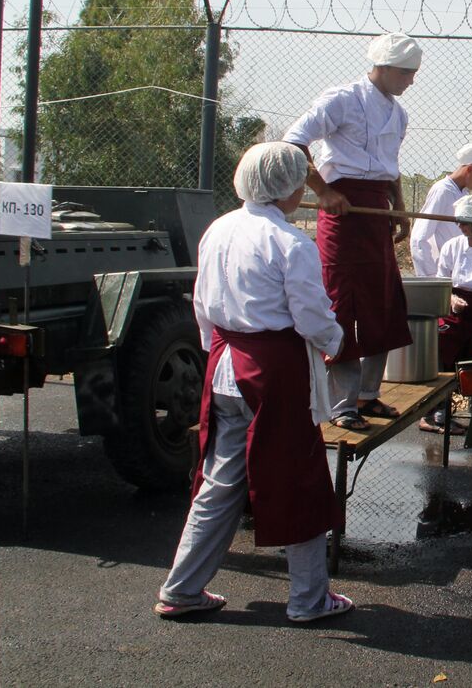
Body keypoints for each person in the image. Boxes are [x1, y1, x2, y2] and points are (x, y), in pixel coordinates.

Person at [155, 142, 352, 623]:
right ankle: (308, 599)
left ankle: (181, 589)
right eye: (301, 182)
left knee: (220, 481)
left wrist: (215, 350)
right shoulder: (290, 243)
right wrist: (338, 340)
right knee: (299, 479)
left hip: (225, 365)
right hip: (273, 373)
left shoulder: (218, 229)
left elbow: (202, 304)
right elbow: (310, 317)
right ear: (287, 187)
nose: (304, 190)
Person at [283, 33, 420, 431]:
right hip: (343, 212)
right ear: (385, 66)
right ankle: (341, 405)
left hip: (375, 208)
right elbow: (294, 141)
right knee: (342, 304)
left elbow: (390, 166)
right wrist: (322, 191)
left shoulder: (399, 114)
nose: (411, 81)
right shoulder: (341, 99)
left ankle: (368, 394)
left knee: (381, 301)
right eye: (406, 73)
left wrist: (399, 208)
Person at [420, 193, 472, 434]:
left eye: (467, 223)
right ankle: (437, 410)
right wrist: (451, 299)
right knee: (443, 344)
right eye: (460, 222)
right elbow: (443, 281)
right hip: (457, 309)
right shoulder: (452, 246)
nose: (461, 227)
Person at [409, 143, 472, 277]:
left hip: (454, 269)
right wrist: (430, 277)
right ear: (469, 169)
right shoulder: (443, 191)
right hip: (439, 272)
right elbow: (420, 237)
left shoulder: (463, 195)